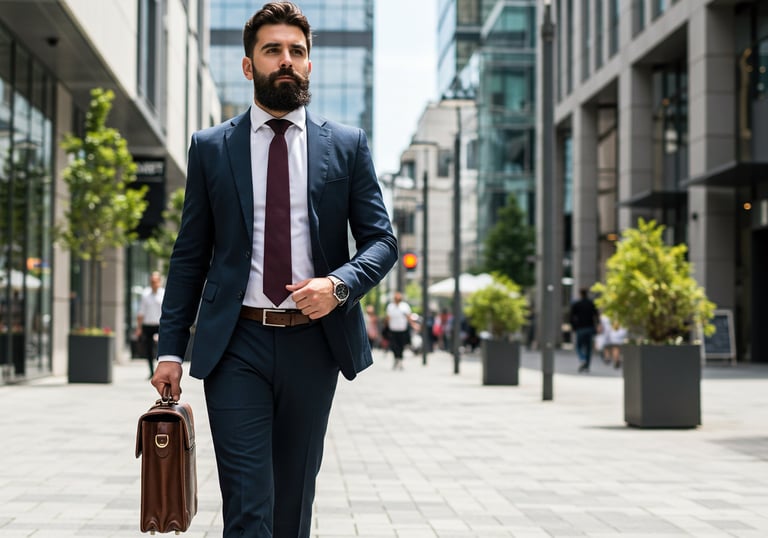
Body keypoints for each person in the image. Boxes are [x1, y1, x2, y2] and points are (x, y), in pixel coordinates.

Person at [150, 3, 398, 536]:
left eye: (297, 51)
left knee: (292, 507)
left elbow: (381, 241)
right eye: (273, 51)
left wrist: (339, 284)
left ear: (309, 65)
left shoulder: (347, 146)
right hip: (236, 342)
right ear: (248, 66)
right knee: (247, 505)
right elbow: (190, 255)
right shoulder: (212, 147)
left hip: (315, 345)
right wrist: (170, 350)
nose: (286, 60)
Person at [135, 271, 164, 378]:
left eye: (155, 281)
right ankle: (152, 371)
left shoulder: (163, 293)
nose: (153, 283)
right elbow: (141, 312)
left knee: (162, 348)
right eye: (152, 281)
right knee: (148, 350)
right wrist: (138, 327)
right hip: (148, 325)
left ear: (159, 282)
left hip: (160, 325)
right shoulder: (145, 294)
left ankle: (161, 370)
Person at [569, 287, 600, 373]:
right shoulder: (591, 303)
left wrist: (573, 327)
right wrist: (598, 325)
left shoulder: (577, 304)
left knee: (579, 346)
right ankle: (587, 364)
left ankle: (583, 359)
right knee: (588, 347)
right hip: (590, 328)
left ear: (580, 294)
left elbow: (571, 317)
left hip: (580, 328)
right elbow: (596, 315)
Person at [386, 291, 413, 370]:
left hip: (402, 329)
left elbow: (408, 316)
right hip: (393, 329)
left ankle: (400, 360)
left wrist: (413, 325)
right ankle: (396, 359)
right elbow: (388, 318)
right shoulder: (390, 306)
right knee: (394, 346)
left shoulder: (405, 306)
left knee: (401, 346)